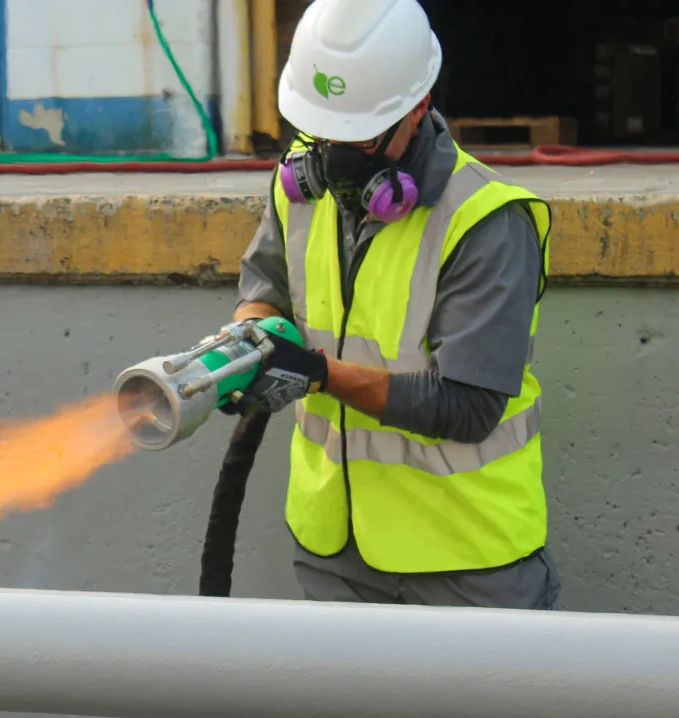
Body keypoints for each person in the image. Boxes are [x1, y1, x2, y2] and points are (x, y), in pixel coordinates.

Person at [226, 0, 561, 609]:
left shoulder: (485, 221)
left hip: (465, 561)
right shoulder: (301, 187)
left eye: (357, 135)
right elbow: (264, 287)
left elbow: (466, 406)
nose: (333, 154)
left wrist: (316, 373)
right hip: (334, 551)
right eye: (321, 130)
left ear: (418, 106)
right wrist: (245, 345)